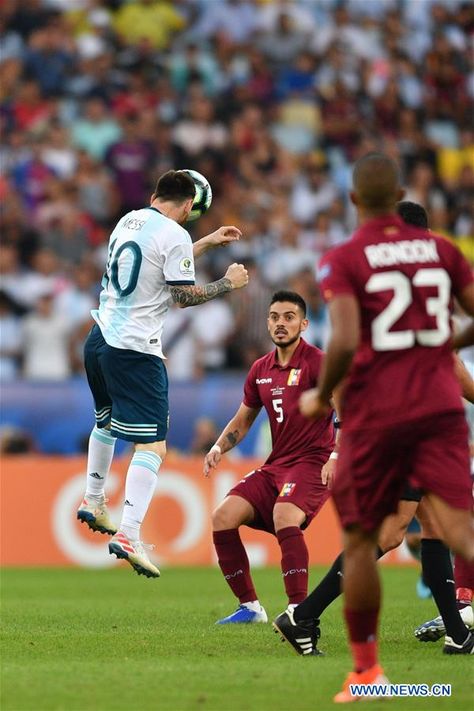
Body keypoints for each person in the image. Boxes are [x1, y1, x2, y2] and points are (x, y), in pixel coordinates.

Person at [284, 153, 474, 702]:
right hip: (437, 411)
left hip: (380, 411)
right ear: (399, 196)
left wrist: (322, 393)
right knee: (456, 530)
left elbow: (342, 340)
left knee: (367, 538)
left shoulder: (344, 258)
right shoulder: (443, 252)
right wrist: (438, 344)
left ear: (352, 200)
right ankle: (461, 631)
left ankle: (366, 672)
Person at [77, 169, 248, 578]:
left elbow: (158, 259)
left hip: (98, 337)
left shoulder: (130, 219)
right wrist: (227, 283)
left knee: (105, 423)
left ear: (156, 194)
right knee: (152, 448)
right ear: (189, 205)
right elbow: (183, 296)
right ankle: (130, 533)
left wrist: (204, 243)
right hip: (135, 350)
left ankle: (93, 498)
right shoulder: (173, 234)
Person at [203, 290, 338, 629]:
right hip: (276, 464)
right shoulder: (260, 369)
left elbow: (347, 406)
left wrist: (337, 454)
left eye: (289, 317)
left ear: (304, 324)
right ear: (267, 322)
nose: (281, 323)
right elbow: (243, 418)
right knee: (222, 517)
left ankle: (298, 611)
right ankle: (250, 607)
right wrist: (219, 446)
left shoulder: (318, 362)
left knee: (284, 515)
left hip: (312, 461)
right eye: (275, 317)